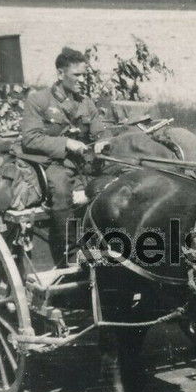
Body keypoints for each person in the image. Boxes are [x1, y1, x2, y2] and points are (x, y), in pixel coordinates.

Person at [21, 47, 113, 267]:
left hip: (85, 164)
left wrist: (103, 140)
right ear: (61, 74)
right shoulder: (38, 101)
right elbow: (30, 139)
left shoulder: (86, 103)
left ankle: (106, 245)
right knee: (61, 191)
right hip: (55, 163)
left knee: (111, 185)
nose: (82, 80)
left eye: (85, 75)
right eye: (77, 75)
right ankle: (70, 254)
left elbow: (102, 131)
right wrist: (66, 143)